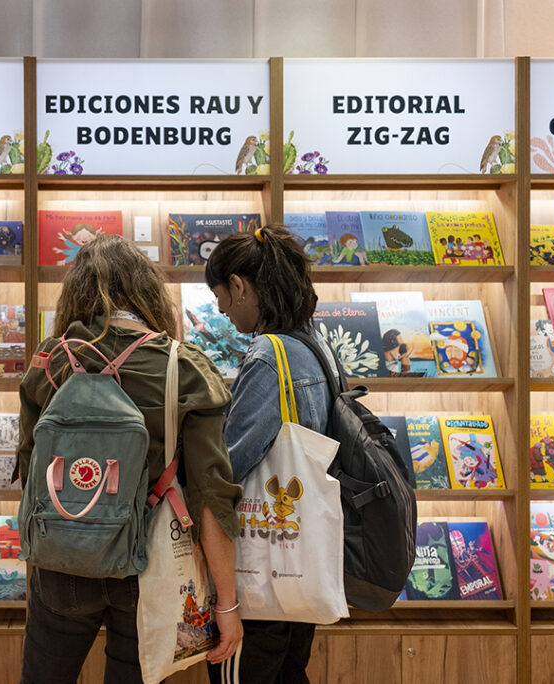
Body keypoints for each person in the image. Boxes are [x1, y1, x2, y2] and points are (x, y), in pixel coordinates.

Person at [18, 234, 243, 683]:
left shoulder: (51, 361)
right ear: (147, 290)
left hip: (60, 561)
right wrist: (227, 604)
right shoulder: (184, 366)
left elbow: (30, 471)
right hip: (149, 565)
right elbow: (211, 496)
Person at [204, 225, 337, 684]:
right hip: (300, 561)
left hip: (257, 572)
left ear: (238, 286)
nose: (221, 310)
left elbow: (228, 469)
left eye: (220, 296)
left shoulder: (268, 354)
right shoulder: (314, 345)